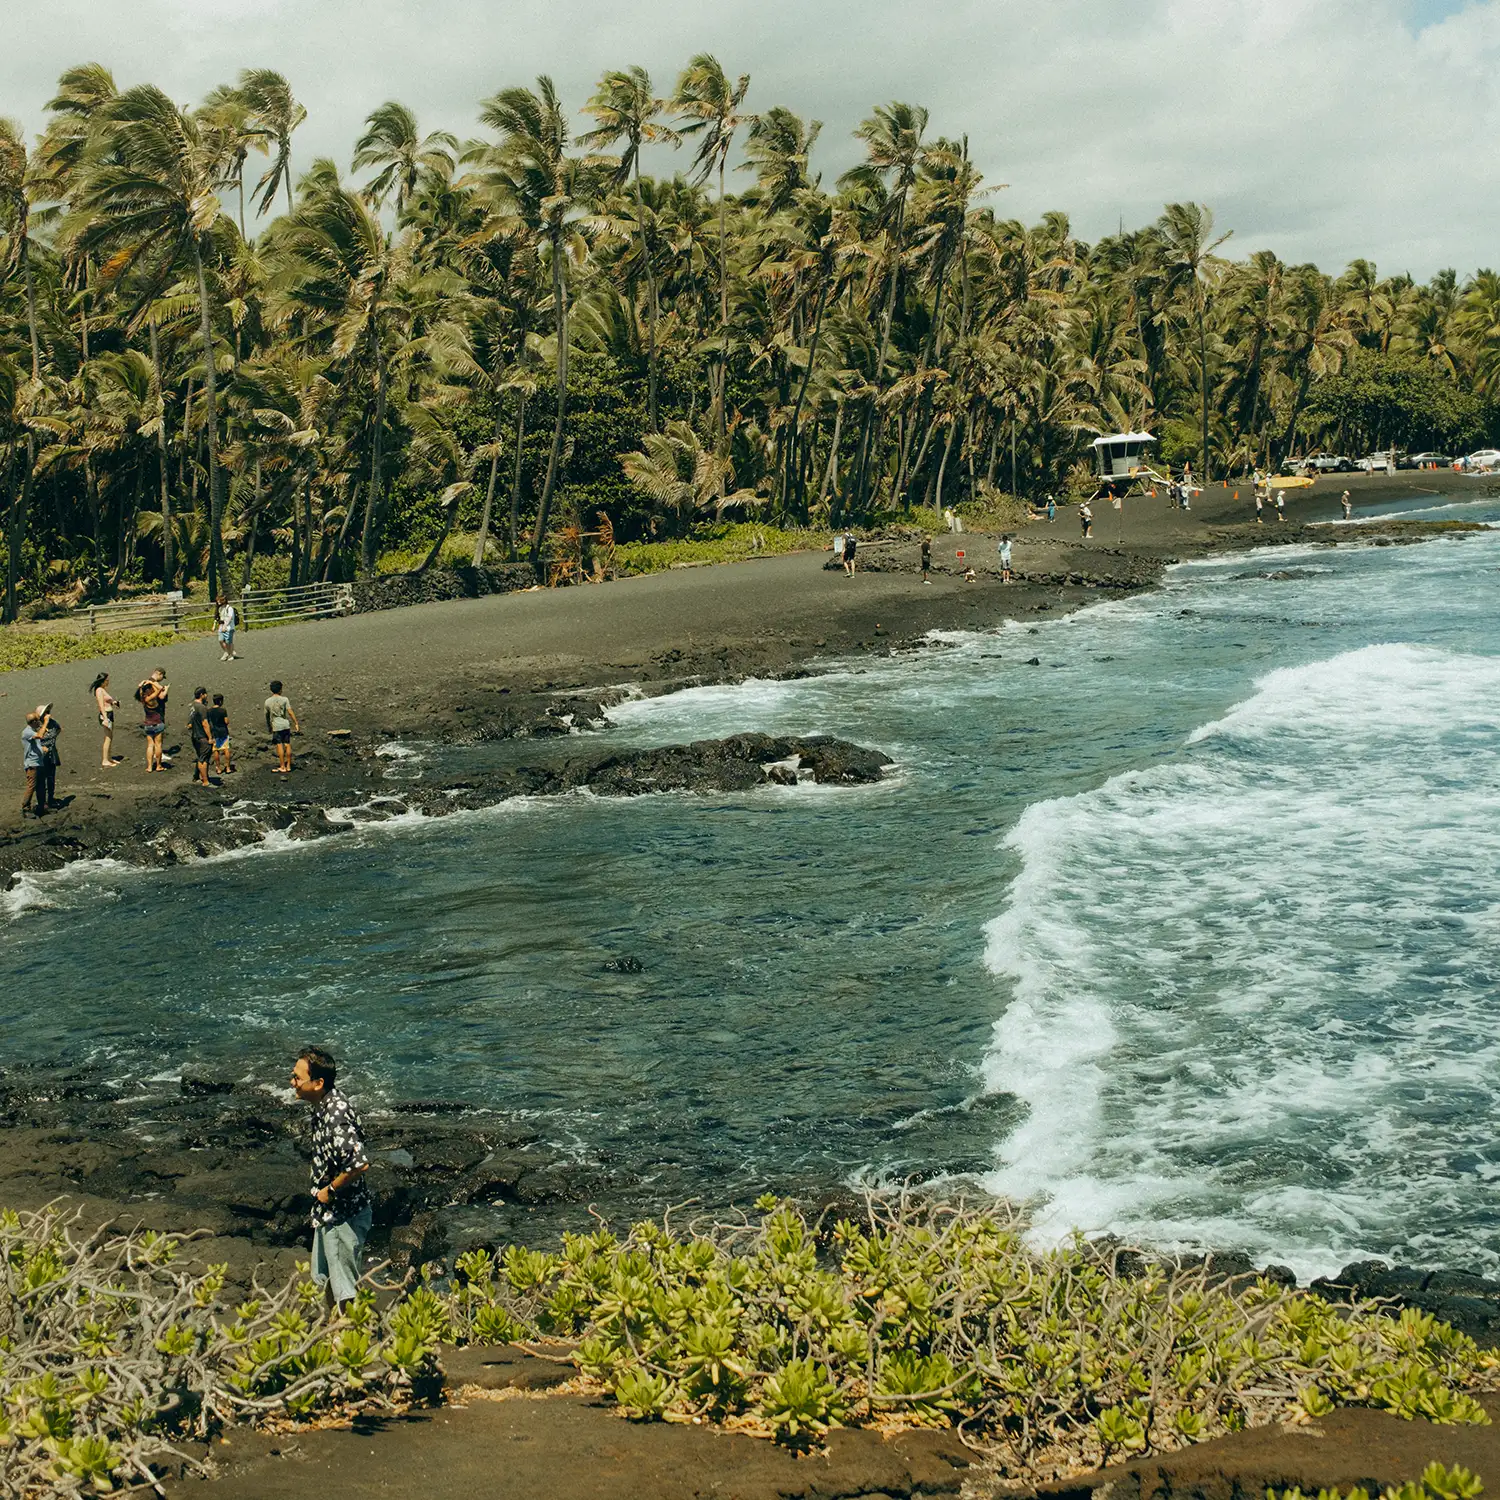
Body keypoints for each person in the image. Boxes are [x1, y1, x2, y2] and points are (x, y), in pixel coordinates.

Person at [290, 1048, 372, 1312]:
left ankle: (350, 1342)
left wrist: (330, 1192)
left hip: (342, 1215)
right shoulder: (324, 1105)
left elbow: (359, 1165)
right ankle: (334, 1335)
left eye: (297, 1078)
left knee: (344, 1291)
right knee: (323, 1281)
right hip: (329, 1214)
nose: (292, 1082)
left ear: (318, 1083)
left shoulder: (335, 1115)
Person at [265, 680, 299, 773]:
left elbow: (267, 716)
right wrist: (295, 722)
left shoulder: (267, 701)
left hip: (276, 725)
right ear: (280, 689)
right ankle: (288, 766)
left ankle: (282, 766)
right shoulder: (285, 699)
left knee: (279, 745)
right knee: (287, 744)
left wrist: (269, 726)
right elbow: (290, 711)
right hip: (285, 724)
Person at [137, 668, 168, 772]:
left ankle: (149, 766)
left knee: (150, 745)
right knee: (158, 745)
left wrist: (142, 685)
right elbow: (160, 690)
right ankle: (158, 765)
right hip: (157, 722)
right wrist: (152, 682)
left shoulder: (144, 699)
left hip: (147, 723)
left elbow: (140, 690)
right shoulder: (153, 699)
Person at [20, 711, 45, 819]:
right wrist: (46, 722)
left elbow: (36, 744)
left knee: (40, 785)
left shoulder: (32, 731)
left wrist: (42, 749)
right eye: (37, 721)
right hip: (32, 764)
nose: (39, 723)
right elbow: (40, 735)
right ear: (33, 721)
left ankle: (41, 807)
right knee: (32, 786)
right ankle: (25, 807)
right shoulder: (27, 732)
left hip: (38, 762)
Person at [92, 673, 120, 768]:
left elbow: (106, 701)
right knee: (107, 738)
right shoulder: (99, 690)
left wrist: (114, 702)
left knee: (110, 737)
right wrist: (105, 718)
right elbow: (101, 705)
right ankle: (105, 760)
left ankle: (109, 758)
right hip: (106, 715)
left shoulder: (103, 690)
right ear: (103, 681)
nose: (108, 682)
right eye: (107, 680)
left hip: (109, 714)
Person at [35, 704, 61, 810]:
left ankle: (51, 799)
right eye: (46, 713)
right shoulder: (37, 726)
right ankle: (42, 802)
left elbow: (58, 729)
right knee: (41, 780)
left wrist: (52, 743)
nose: (48, 714)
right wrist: (45, 723)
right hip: (41, 755)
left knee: (51, 778)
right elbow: (38, 736)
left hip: (51, 753)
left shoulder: (53, 723)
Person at [187, 688, 213, 787]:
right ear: (202, 694)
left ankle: (198, 776)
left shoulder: (192, 706)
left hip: (195, 735)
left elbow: (190, 722)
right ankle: (205, 781)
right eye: (205, 694)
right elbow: (205, 723)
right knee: (203, 758)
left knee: (200, 756)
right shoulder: (201, 707)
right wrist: (210, 737)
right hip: (202, 736)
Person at [209, 693, 232, 775]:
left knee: (216, 750)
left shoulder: (209, 711)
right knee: (226, 749)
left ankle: (218, 768)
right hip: (223, 731)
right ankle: (228, 767)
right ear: (220, 701)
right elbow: (226, 721)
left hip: (214, 732)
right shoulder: (223, 710)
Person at [216, 596, 240, 662]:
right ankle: (227, 652)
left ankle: (231, 655)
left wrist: (225, 626)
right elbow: (221, 618)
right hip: (221, 627)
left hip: (229, 628)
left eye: (219, 600)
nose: (218, 602)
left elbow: (229, 618)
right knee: (220, 640)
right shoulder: (220, 608)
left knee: (228, 642)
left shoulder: (229, 608)